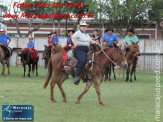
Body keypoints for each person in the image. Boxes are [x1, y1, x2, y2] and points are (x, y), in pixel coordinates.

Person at [71, 21, 98, 85]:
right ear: (80, 27)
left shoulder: (86, 34)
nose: (84, 27)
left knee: (91, 60)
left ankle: (87, 75)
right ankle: (76, 76)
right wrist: (75, 44)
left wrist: (96, 42)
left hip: (87, 49)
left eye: (85, 26)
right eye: (83, 26)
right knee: (83, 61)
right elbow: (73, 37)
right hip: (79, 49)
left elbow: (90, 41)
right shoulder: (78, 33)